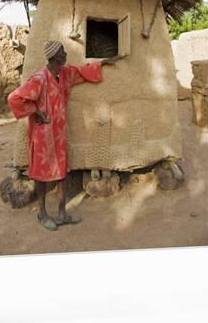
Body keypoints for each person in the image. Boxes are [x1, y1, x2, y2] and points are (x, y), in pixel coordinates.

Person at [7, 40, 124, 231]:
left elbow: (81, 71)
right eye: (63, 52)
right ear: (55, 57)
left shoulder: (64, 73)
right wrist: (36, 111)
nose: (66, 54)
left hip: (59, 134)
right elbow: (14, 98)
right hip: (42, 135)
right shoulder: (39, 80)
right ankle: (42, 213)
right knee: (41, 176)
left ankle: (62, 213)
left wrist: (104, 62)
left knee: (61, 173)